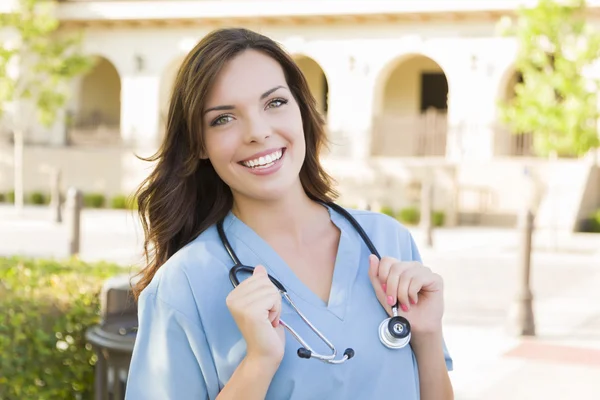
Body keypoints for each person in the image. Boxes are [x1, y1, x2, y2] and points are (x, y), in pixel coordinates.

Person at [124, 27, 454, 400]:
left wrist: (426, 336)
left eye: (274, 103)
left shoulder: (388, 241)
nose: (258, 132)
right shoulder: (182, 286)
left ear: (302, 111)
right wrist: (259, 363)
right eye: (223, 118)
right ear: (199, 143)